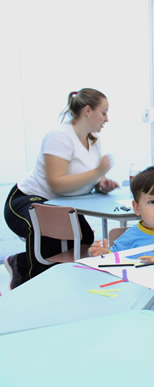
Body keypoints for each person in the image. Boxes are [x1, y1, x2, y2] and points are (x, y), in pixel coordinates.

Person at [3, 88, 119, 289]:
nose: (107, 119)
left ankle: (22, 262)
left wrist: (101, 183)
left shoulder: (94, 140)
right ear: (88, 110)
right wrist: (97, 173)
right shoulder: (59, 136)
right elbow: (56, 183)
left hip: (60, 205)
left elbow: (87, 177)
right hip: (27, 199)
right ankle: (30, 283)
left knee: (85, 238)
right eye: (104, 112)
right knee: (46, 232)